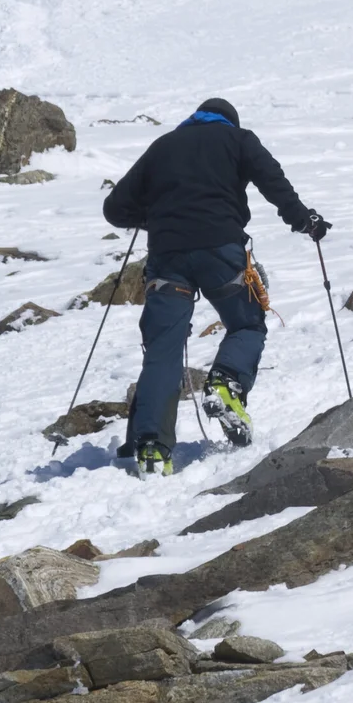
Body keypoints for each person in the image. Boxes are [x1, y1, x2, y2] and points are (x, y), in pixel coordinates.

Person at [102, 97, 327, 477]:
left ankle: (153, 447)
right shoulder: (238, 139)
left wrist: (158, 216)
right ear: (228, 120)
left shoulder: (162, 147)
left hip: (167, 259)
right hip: (221, 252)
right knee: (247, 323)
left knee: (162, 349)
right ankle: (225, 382)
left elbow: (114, 209)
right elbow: (273, 181)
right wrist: (305, 221)